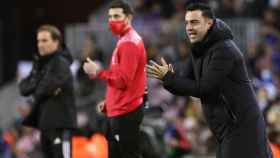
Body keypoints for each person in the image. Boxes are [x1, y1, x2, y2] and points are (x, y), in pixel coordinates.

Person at [147, 3, 273, 158]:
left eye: (194, 22)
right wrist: (168, 76)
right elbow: (184, 82)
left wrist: (170, 78)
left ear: (209, 24)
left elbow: (204, 88)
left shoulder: (224, 50)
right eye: (187, 22)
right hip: (225, 129)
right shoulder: (199, 49)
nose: (189, 27)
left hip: (242, 128)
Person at [83, 1, 147, 158]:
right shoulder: (124, 41)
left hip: (126, 114)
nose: (113, 21)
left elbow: (123, 81)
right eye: (110, 17)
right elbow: (127, 81)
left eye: (117, 16)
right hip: (121, 111)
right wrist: (109, 104)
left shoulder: (129, 43)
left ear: (129, 18)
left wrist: (98, 72)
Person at [19, 24, 77, 158]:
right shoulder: (41, 65)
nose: (40, 44)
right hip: (45, 125)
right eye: (38, 41)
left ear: (56, 42)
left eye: (44, 40)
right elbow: (23, 88)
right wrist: (39, 84)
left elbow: (42, 90)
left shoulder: (61, 63)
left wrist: (37, 86)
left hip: (60, 125)